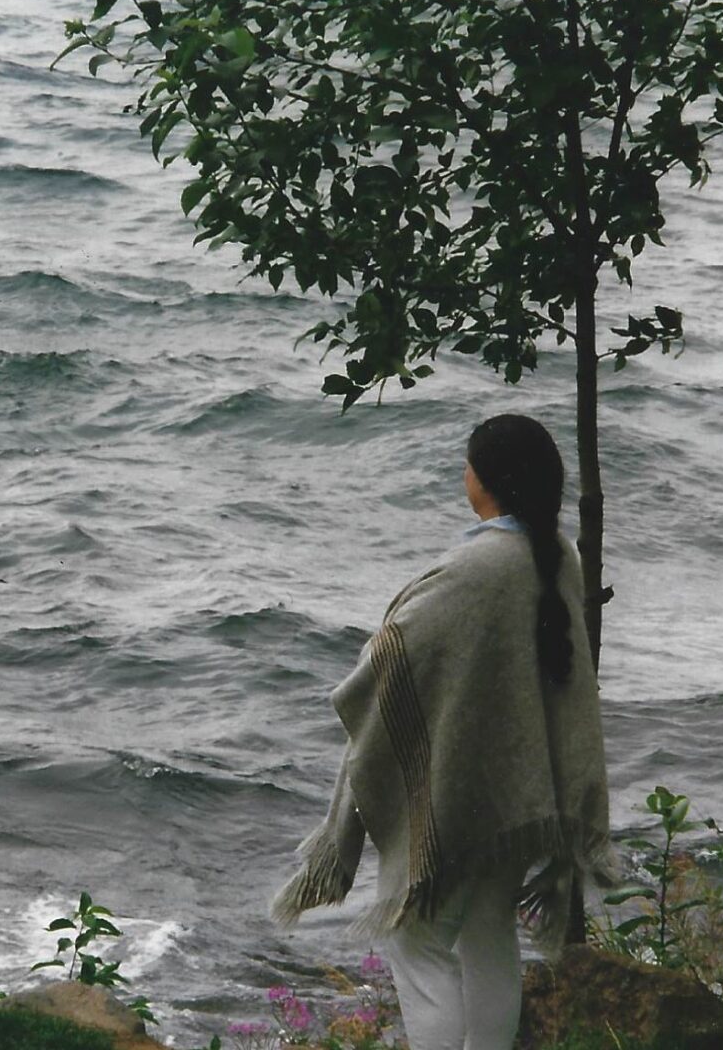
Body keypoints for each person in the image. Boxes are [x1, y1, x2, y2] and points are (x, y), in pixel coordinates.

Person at [271, 414, 612, 1050]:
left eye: (469, 465)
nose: (464, 475)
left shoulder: (476, 566)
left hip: (456, 800)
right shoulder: (555, 555)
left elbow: (392, 657)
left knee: (418, 946)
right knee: (488, 937)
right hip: (516, 796)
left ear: (487, 482)